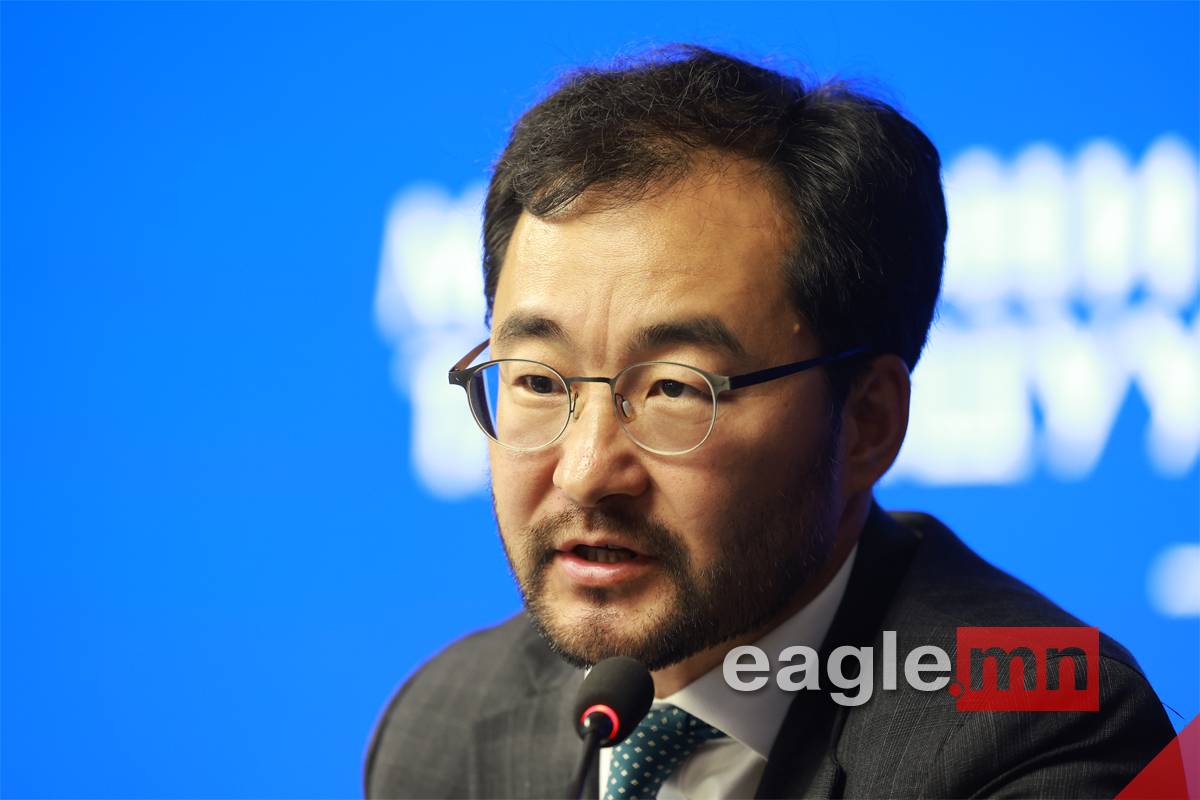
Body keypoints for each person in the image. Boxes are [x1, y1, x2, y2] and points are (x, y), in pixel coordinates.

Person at [364, 46, 1175, 799]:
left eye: (674, 390)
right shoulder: (444, 725)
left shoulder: (1047, 728)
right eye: (540, 380)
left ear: (866, 423)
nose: (584, 472)